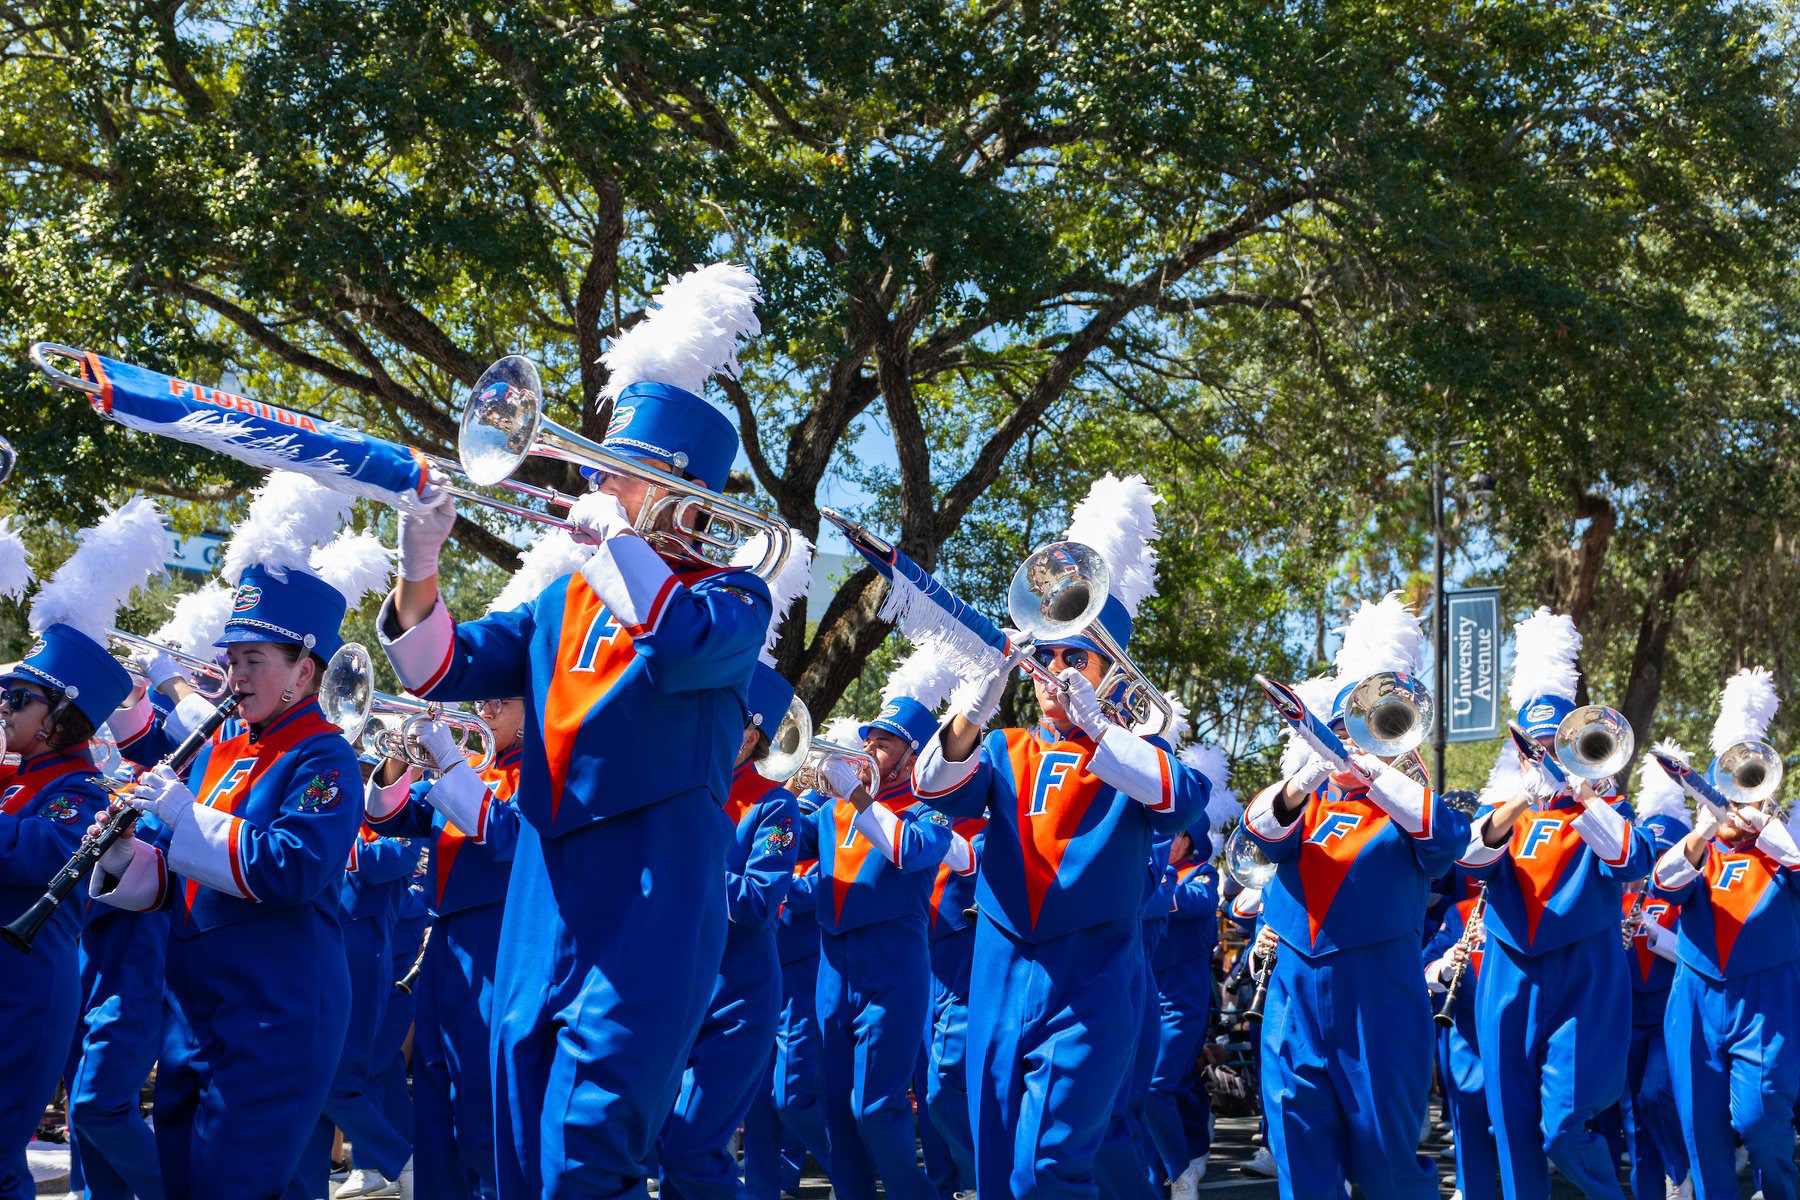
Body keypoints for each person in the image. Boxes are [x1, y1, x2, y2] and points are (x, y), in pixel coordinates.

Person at [376, 262, 773, 1197]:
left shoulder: (734, 597)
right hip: (541, 892)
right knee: (516, 1138)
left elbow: (677, 638)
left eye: (617, 474)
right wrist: (419, 563)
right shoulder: (561, 601)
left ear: (679, 492)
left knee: (588, 1150)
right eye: (599, 467)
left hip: (651, 894)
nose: (592, 482)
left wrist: (619, 545)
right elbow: (438, 666)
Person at [914, 474, 1207, 1200]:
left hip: (1092, 976)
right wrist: (975, 705)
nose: (1055, 672)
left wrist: (1100, 725)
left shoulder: (1138, 757)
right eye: (1049, 655)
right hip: (998, 966)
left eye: (1077, 658)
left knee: (1047, 1168)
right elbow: (932, 786)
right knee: (994, 1161)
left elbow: (1179, 800)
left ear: (1112, 673)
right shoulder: (1005, 747)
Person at [89, 522, 381, 1199]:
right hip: (197, 1007)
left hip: (277, 1005)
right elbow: (180, 879)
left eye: (254, 660)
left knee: (233, 1184)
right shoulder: (222, 748)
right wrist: (124, 853)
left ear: (304, 671)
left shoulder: (324, 754)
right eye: (232, 659)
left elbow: (292, 867)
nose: (234, 676)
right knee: (187, 1181)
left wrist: (184, 816)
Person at [1242, 595, 1470, 1198]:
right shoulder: (1305, 799)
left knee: (1388, 1167)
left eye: (1371, 731)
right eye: (1344, 730)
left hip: (1379, 996)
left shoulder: (1409, 809)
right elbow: (1258, 833)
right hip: (1294, 992)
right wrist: (1311, 770)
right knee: (1298, 1152)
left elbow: (1450, 839)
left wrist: (1374, 773)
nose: (1353, 742)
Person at [1458, 608, 1652, 1199]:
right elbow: (1468, 862)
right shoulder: (1503, 810)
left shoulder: (1606, 808)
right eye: (1532, 747)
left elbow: (1633, 860)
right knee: (1510, 1127)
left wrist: (1582, 795)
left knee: (1564, 1126)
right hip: (1509, 970)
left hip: (1584, 971)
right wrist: (1522, 799)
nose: (1543, 756)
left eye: (1553, 746)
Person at [367, 696, 525, 1200]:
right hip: (444, 939)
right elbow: (388, 816)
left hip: (497, 939)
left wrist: (451, 760)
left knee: (481, 1097)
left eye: (499, 699)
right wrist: (400, 757)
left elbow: (505, 837)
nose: (484, 709)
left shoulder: (540, 770)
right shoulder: (473, 766)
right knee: (434, 1096)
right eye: (481, 699)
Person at [1653, 668, 1800, 1200]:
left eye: (1750, 788)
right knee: (1702, 1133)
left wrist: (1766, 829)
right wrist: (1701, 830)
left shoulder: (1784, 851)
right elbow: (1664, 884)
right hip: (1694, 999)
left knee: (1761, 1120)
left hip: (1767, 1002)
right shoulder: (1703, 849)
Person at [656, 661, 800, 1199]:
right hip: (675, 993)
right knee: (665, 1148)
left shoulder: (775, 804)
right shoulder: (684, 789)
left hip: (736, 999)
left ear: (751, 736)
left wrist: (690, 868)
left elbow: (760, 902)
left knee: (692, 1150)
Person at [813, 688, 954, 1200]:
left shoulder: (930, 810)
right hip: (832, 967)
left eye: (884, 743)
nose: (868, 750)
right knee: (834, 1110)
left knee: (875, 1107)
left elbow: (911, 851)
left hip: (891, 967)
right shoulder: (831, 810)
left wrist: (856, 794)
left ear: (913, 756)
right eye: (868, 739)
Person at [1145, 748, 1232, 1200]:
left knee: (1158, 1084)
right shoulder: (1148, 869)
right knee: (1160, 1085)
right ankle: (1169, 1165)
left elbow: (1194, 902)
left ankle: (1181, 1172)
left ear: (1190, 840)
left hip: (1182, 998)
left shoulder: (1202, 873)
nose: (1167, 840)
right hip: (1144, 993)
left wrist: (1156, 884)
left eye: (1175, 834)